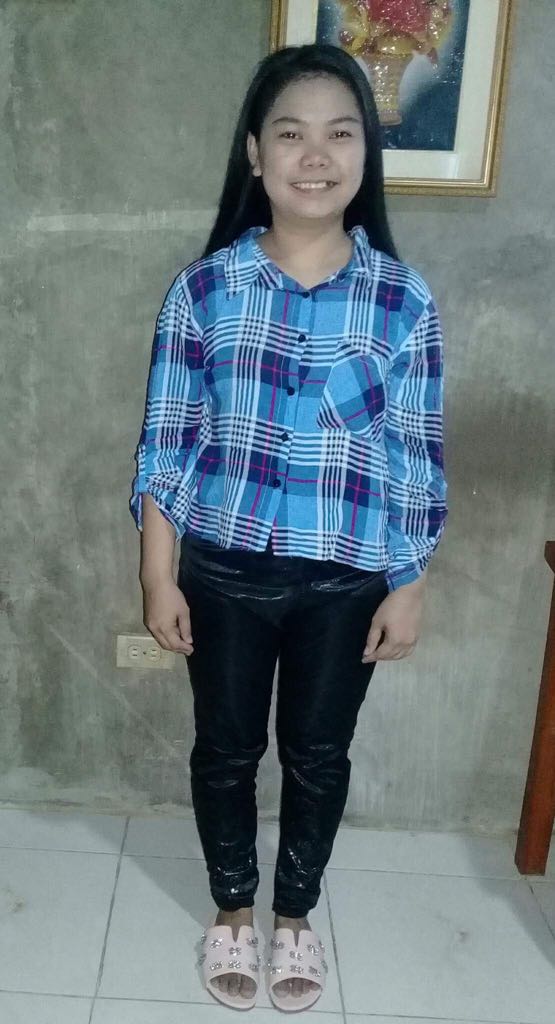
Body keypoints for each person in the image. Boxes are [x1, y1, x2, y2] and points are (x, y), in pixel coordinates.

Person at [129, 42, 448, 1013]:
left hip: (346, 583)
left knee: (318, 756)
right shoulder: (204, 290)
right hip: (224, 572)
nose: (316, 156)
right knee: (226, 749)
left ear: (364, 154)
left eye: (340, 134)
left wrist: (409, 582)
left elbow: (415, 457)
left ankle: (295, 917)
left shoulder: (402, 300)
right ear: (255, 153)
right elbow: (167, 443)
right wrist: (158, 575)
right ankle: (232, 907)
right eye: (291, 134)